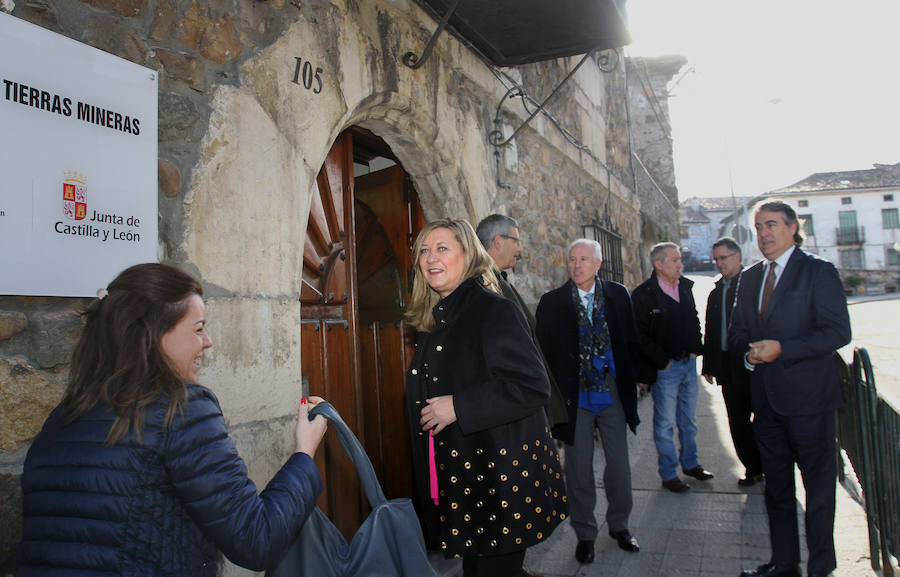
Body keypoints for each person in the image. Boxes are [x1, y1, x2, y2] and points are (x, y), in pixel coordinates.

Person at [16, 263, 328, 577]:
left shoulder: (62, 417)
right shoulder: (182, 409)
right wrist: (304, 454)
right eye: (198, 328)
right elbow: (256, 539)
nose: (208, 342)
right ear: (154, 334)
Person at [404, 218, 567, 577]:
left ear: (468, 255)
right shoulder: (440, 316)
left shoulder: (492, 309)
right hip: (471, 481)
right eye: (424, 251)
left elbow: (531, 385)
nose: (431, 257)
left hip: (501, 483)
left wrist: (457, 406)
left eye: (442, 248)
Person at [730, 201, 851, 577]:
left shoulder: (818, 272)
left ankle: (820, 567)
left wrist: (783, 349)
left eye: (771, 225)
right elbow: (737, 334)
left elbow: (837, 333)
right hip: (767, 406)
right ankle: (784, 564)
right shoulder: (749, 278)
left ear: (792, 228)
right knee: (777, 491)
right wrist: (750, 357)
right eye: (758, 227)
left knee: (818, 494)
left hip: (811, 404)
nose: (763, 234)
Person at [535, 239, 642, 564]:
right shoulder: (553, 302)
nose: (577, 265)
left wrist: (629, 379)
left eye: (584, 259)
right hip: (574, 395)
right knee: (579, 468)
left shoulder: (617, 295)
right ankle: (585, 533)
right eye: (572, 259)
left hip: (610, 390)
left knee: (619, 465)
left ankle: (620, 526)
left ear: (598, 264)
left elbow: (630, 341)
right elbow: (544, 352)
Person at [631, 242, 712, 493]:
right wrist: (662, 362)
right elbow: (639, 335)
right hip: (666, 369)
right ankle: (668, 474)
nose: (680, 264)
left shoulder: (685, 287)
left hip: (689, 364)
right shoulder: (644, 295)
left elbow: (694, 318)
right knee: (665, 424)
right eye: (675, 260)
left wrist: (697, 348)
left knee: (688, 420)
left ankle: (691, 464)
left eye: (679, 259)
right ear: (659, 264)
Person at [475, 213, 567, 428]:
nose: (521, 249)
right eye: (516, 241)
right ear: (498, 242)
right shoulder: (484, 288)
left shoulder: (498, 282)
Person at [702, 237, 763, 487]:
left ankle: (769, 463)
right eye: (716, 259)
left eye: (723, 258)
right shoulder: (717, 292)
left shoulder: (754, 286)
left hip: (755, 364)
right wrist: (708, 365)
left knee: (763, 419)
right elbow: (711, 330)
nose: (719, 263)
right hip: (728, 368)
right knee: (737, 421)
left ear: (738, 257)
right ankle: (753, 467)